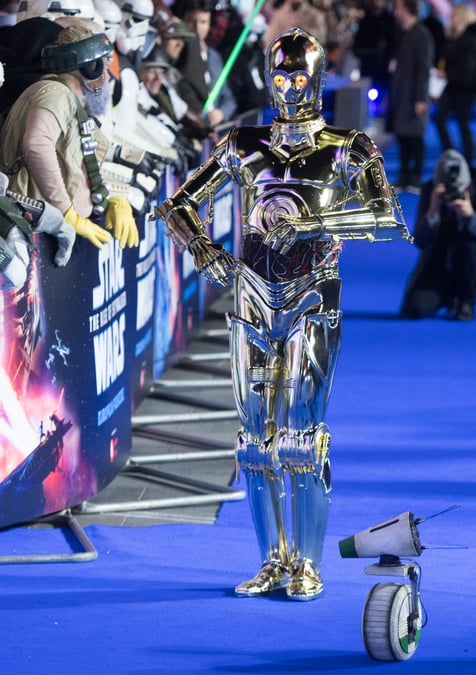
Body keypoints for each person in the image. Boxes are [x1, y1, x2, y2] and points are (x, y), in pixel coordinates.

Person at [155, 28, 408, 600]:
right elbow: (177, 206)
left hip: (313, 294)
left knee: (299, 438)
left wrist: (314, 225)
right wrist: (208, 252)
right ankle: (273, 559)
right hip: (251, 292)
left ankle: (308, 564)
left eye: (300, 76)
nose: (291, 87)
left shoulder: (348, 146)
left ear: (317, 78)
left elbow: (389, 218)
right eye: (282, 76)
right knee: (253, 441)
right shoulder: (244, 143)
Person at [0, 18, 138, 255]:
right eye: (102, 64)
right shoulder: (55, 94)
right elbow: (36, 146)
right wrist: (66, 212)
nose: (107, 74)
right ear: (89, 67)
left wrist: (111, 198)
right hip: (41, 228)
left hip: (53, 226)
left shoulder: (67, 99)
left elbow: (76, 162)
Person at [400, 149, 476, 321]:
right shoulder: (430, 190)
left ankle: (466, 300)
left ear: (467, 183)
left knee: (471, 241)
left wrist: (470, 216)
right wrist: (433, 211)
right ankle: (446, 295)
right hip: (440, 257)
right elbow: (420, 241)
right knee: (414, 309)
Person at [389, 0, 433, 192]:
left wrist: (421, 98)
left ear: (406, 8)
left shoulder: (422, 35)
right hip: (402, 93)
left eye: (398, 7)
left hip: (413, 95)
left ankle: (415, 178)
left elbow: (424, 69)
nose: (395, 11)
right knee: (403, 136)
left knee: (415, 137)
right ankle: (404, 176)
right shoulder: (405, 34)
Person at [433, 3, 476, 164]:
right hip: (452, 85)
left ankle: (468, 162)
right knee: (440, 120)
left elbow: (468, 69)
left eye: (454, 15)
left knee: (463, 125)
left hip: (466, 88)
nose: (450, 18)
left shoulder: (470, 40)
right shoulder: (453, 37)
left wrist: (447, 73)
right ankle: (451, 155)